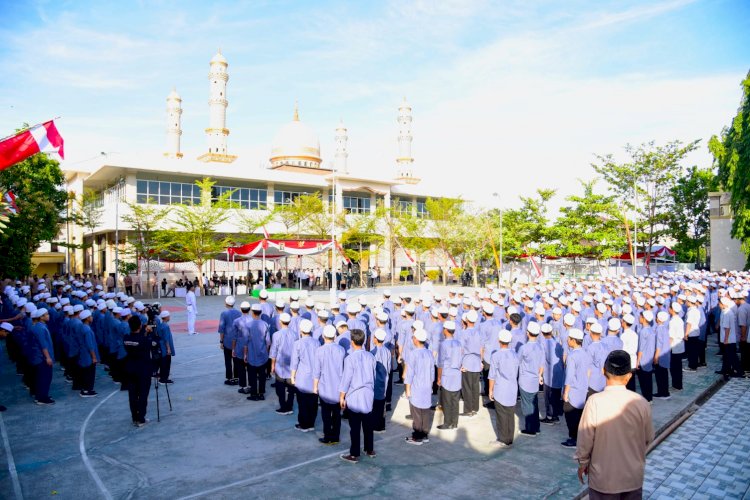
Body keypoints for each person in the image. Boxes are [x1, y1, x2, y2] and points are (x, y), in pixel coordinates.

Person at [575, 350, 654, 500]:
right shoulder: (641, 403)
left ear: (603, 371)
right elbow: (649, 438)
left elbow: (585, 441)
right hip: (633, 477)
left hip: (603, 479)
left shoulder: (594, 402)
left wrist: (583, 463)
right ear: (629, 376)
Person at [339, 329, 376, 463]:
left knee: (354, 428)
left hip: (354, 396)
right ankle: (369, 449)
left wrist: (342, 396)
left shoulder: (349, 359)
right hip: (368, 395)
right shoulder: (371, 357)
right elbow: (374, 376)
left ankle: (354, 454)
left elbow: (346, 379)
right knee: (368, 425)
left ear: (352, 342)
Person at [314, 324, 346, 445]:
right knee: (337, 414)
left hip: (325, 388)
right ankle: (336, 436)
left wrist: (315, 387)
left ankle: (327, 436)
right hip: (338, 388)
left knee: (326, 414)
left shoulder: (319, 351)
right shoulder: (341, 350)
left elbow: (317, 371)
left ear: (323, 336)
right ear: (335, 336)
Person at [488, 329, 519, 448]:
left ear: (499, 341)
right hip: (512, 388)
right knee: (510, 414)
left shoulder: (496, 356)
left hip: (500, 388)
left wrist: (490, 390)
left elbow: (492, 375)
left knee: (501, 415)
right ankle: (509, 438)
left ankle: (502, 439)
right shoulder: (515, 355)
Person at [404, 327, 435, 445]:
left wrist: (407, 389)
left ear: (416, 340)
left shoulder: (413, 354)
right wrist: (431, 384)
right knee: (425, 410)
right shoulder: (429, 353)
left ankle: (417, 437)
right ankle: (425, 434)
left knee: (416, 411)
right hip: (427, 386)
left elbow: (410, 373)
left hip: (417, 386)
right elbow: (432, 372)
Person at [562, 328, 590, 448]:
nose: (568, 340)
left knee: (570, 414)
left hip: (573, 389)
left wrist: (566, 392)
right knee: (579, 414)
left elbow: (569, 376)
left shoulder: (572, 356)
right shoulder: (585, 353)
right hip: (583, 388)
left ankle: (573, 438)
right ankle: (579, 437)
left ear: (573, 340)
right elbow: (588, 372)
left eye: (569, 339)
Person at [123, 316, 152, 427]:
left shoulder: (126, 338)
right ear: (140, 325)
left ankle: (135, 417)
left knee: (133, 394)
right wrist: (148, 332)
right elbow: (148, 344)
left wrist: (144, 331)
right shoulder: (143, 339)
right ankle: (141, 418)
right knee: (143, 394)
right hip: (143, 369)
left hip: (131, 368)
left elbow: (137, 338)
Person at [291, 319, 318, 432]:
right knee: (313, 401)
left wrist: (292, 377)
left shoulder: (298, 343)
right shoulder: (317, 342)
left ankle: (303, 424)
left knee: (302, 402)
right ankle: (311, 423)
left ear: (301, 330)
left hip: (302, 377)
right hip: (315, 377)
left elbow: (294, 362)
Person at [517, 321, 544, 436]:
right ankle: (536, 427)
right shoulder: (540, 346)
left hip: (525, 380)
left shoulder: (524, 348)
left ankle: (530, 429)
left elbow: (517, 362)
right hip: (535, 379)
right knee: (534, 403)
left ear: (528, 333)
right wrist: (540, 375)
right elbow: (542, 365)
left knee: (527, 405)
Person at [437, 320, 462, 430]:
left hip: (447, 375)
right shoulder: (458, 343)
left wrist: (439, 377)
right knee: (455, 400)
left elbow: (441, 363)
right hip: (456, 374)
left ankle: (447, 423)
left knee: (446, 401)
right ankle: (454, 422)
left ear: (445, 330)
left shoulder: (443, 344)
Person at [270, 313, 296, 415]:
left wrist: (272, 365)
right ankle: (289, 406)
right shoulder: (295, 334)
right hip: (291, 365)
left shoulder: (276, 335)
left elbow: (274, 351)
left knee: (280, 388)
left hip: (280, 365)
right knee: (291, 388)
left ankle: (283, 406)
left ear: (280, 322)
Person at [29, 308, 55, 405]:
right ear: (41, 317)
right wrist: (48, 357)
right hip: (42, 358)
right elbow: (43, 344)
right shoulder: (40, 328)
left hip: (40, 357)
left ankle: (41, 395)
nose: (48, 315)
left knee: (42, 377)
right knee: (44, 377)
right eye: (46, 314)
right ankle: (42, 398)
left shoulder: (40, 326)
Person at [245, 304, 270, 401]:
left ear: (252, 311)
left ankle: (254, 393)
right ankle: (261, 393)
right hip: (262, 354)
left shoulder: (248, 325)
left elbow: (246, 342)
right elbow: (268, 342)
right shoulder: (265, 324)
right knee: (262, 375)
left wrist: (245, 354)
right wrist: (266, 353)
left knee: (252, 375)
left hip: (251, 354)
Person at [371, 328, 391, 433]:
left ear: (375, 339)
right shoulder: (387, 351)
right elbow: (388, 367)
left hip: (376, 381)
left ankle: (376, 425)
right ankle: (382, 425)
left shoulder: (373, 352)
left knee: (376, 404)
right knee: (382, 403)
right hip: (385, 379)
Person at [218, 296, 241, 385]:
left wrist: (221, 341)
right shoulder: (239, 313)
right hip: (237, 340)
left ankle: (229, 378)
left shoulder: (224, 314)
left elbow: (222, 329)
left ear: (226, 303)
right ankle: (236, 377)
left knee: (228, 360)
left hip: (227, 340)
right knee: (236, 359)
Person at [77, 310, 99, 397]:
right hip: (88, 355)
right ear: (87, 318)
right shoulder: (87, 330)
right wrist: (94, 357)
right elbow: (90, 345)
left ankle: (85, 389)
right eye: (90, 316)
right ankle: (87, 390)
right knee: (89, 372)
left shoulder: (82, 327)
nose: (92, 318)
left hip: (83, 354)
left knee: (86, 372)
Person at [157, 310, 174, 384]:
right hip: (165, 347)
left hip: (161, 346)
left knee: (163, 363)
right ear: (166, 317)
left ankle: (162, 377)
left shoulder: (161, 325)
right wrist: (168, 349)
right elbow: (166, 338)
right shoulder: (166, 326)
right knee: (166, 363)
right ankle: (164, 378)